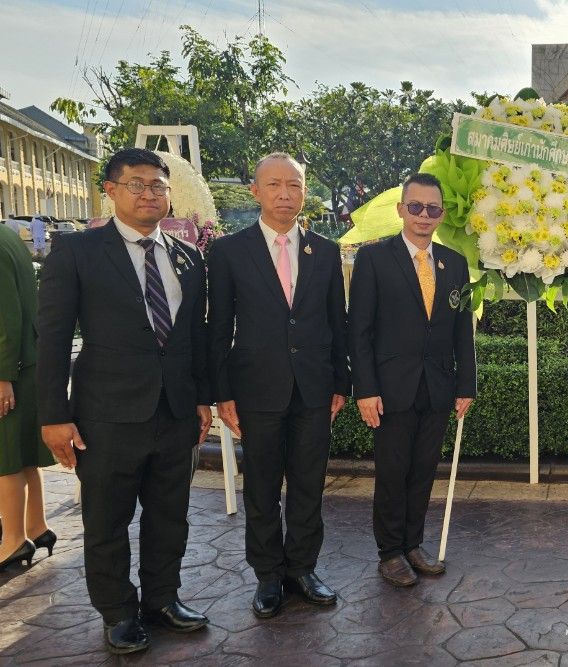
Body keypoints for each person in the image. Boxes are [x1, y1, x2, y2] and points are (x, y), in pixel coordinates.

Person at [35, 148, 212, 654]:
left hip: (175, 413)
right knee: (107, 520)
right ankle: (117, 611)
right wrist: (54, 415)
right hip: (106, 415)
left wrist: (202, 399)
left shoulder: (188, 257)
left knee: (169, 516)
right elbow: (52, 339)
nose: (149, 194)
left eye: (158, 185)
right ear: (111, 190)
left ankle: (162, 598)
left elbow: (195, 338)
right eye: (137, 184)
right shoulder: (78, 252)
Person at [207, 152, 350, 618]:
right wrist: (222, 393)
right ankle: (268, 575)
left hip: (313, 388)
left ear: (305, 192)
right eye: (274, 185)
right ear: (256, 191)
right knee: (262, 488)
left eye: (294, 185)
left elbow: (337, 321)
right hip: (256, 389)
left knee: (309, 484)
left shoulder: (324, 251)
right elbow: (219, 327)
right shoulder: (229, 252)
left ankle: (303, 568)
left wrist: (341, 381)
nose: (285, 194)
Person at [348, 172, 476, 588]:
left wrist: (466, 384)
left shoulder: (454, 263)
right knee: (393, 472)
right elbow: (359, 330)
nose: (424, 215)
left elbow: (462, 331)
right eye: (416, 206)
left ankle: (412, 544)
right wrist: (365, 388)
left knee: (423, 471)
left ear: (441, 214)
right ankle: (390, 552)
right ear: (401, 209)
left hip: (437, 386)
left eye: (432, 208)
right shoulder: (373, 259)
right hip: (390, 389)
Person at [0, 222, 56, 573]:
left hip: (10, 368)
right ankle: (37, 527)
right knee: (22, 456)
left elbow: (5, 317)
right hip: (24, 363)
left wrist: (2, 375)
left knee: (5, 458)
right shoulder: (7, 235)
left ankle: (13, 539)